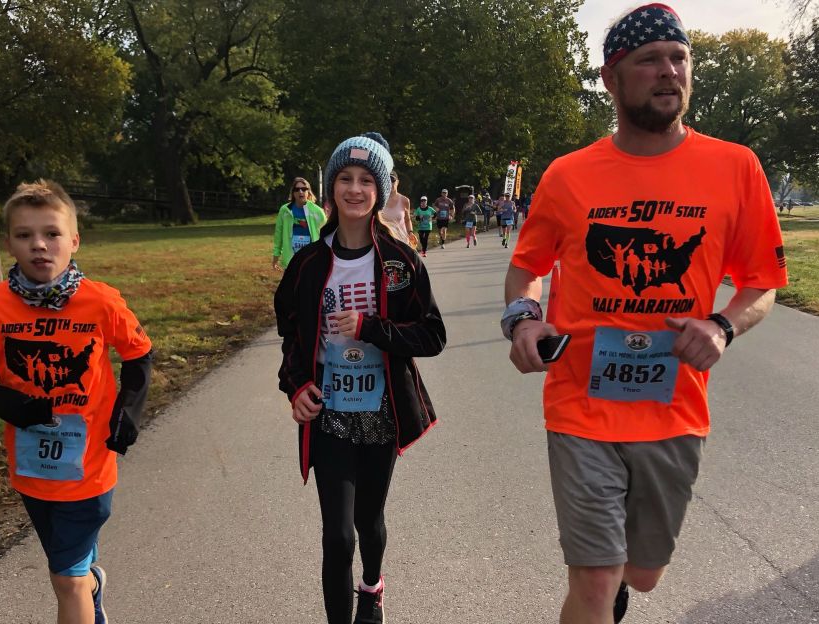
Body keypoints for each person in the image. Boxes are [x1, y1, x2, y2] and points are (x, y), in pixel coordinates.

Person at [500, 5, 788, 623]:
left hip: (674, 408)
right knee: (597, 577)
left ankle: (616, 586)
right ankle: (600, 593)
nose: (669, 72)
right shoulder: (568, 176)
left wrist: (722, 325)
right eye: (649, 60)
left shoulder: (735, 168)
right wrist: (523, 320)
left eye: (679, 58)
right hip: (580, 402)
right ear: (611, 78)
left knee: (643, 573)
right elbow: (525, 267)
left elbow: (763, 282)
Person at [0, 180, 154, 624]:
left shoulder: (100, 301)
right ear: (10, 243)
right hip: (31, 467)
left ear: (74, 240)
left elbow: (139, 354)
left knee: (65, 581)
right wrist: (14, 408)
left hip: (92, 462)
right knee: (70, 569)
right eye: (24, 235)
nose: (39, 245)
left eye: (52, 233)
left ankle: (84, 587)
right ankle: (91, 583)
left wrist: (129, 412)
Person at [274, 132, 445, 624]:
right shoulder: (307, 266)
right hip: (329, 415)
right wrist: (297, 386)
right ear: (330, 189)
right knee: (336, 535)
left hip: (382, 413)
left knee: (368, 524)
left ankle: (372, 585)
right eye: (344, 179)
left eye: (365, 180)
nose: (353, 189)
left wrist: (373, 329)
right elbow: (290, 333)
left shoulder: (401, 261)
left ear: (380, 190)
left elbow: (432, 335)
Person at [273, 177, 328, 271]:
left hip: (311, 259)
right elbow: (279, 234)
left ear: (308, 192)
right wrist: (276, 255)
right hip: (291, 259)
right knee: (291, 285)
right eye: (297, 189)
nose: (300, 192)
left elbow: (326, 235)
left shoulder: (317, 212)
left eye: (304, 189)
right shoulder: (285, 210)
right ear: (293, 193)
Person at [380, 171, 413, 244]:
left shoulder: (405, 200)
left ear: (397, 182)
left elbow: (407, 220)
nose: (390, 183)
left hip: (402, 241)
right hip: (385, 242)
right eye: (387, 180)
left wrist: (410, 232)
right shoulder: (379, 200)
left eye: (392, 181)